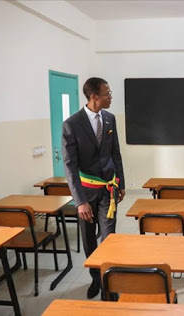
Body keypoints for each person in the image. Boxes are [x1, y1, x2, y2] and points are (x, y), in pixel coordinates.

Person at [62, 77, 125, 298]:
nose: (111, 96)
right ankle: (96, 279)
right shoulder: (72, 124)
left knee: (109, 237)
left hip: (108, 189)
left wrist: (121, 183)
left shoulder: (110, 119)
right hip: (86, 193)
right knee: (89, 238)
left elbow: (115, 152)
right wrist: (79, 201)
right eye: (107, 93)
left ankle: (109, 281)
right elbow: (70, 166)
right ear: (94, 97)